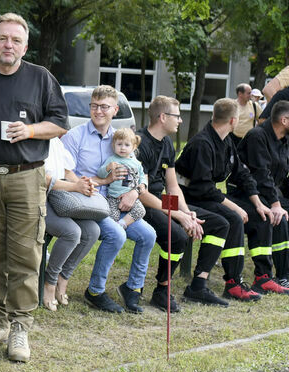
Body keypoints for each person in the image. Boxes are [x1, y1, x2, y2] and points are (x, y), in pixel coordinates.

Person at [0, 13, 68, 362]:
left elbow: (60, 124)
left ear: (25, 45)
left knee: (25, 252)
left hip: (26, 175)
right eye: (2, 39)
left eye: (15, 40)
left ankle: (21, 327)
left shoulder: (41, 78)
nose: (9, 45)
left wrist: (32, 131)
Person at [62, 85, 155, 314]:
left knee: (148, 235)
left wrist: (137, 191)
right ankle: (95, 291)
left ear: (115, 109)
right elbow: (67, 173)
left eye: (104, 107)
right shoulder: (76, 136)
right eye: (94, 106)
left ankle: (132, 288)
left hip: (120, 203)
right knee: (116, 234)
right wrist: (103, 180)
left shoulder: (122, 139)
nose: (98, 111)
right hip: (89, 202)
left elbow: (139, 173)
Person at [136, 96, 232, 309]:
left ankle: (198, 285)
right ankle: (162, 289)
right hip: (141, 204)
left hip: (160, 200)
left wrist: (187, 213)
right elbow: (141, 194)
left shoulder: (167, 143)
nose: (180, 121)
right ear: (162, 117)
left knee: (219, 224)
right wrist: (177, 215)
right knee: (177, 236)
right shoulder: (140, 143)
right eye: (177, 116)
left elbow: (172, 187)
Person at [176, 99, 267, 302]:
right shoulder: (203, 143)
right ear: (233, 120)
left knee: (254, 215)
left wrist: (258, 203)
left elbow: (242, 173)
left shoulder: (226, 141)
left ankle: (252, 278)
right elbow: (203, 188)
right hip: (187, 198)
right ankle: (226, 283)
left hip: (205, 196)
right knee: (231, 218)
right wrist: (234, 206)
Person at [232, 100, 289, 293]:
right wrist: (275, 204)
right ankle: (283, 276)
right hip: (247, 194)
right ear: (283, 120)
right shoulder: (257, 136)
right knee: (279, 219)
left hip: (271, 196)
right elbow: (261, 175)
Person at [41, 137, 101, 311]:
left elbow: (68, 173)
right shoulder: (38, 141)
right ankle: (49, 282)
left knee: (92, 230)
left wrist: (83, 184)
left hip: (60, 199)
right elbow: (42, 179)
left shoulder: (57, 143)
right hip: (41, 199)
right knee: (72, 232)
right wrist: (75, 187)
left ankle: (63, 277)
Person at [96, 128, 147, 229]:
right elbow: (100, 174)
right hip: (113, 197)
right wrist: (107, 167)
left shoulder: (136, 163)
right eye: (119, 144)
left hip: (131, 198)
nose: (122, 148)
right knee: (112, 216)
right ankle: (115, 229)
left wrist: (142, 185)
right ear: (113, 145)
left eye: (127, 145)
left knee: (141, 210)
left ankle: (122, 223)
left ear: (134, 147)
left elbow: (142, 177)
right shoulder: (112, 160)